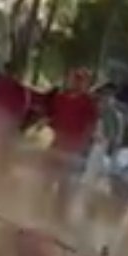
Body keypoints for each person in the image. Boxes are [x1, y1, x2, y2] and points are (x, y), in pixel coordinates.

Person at [45, 68, 99, 219]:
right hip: (57, 144)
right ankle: (42, 211)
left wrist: (82, 146)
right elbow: (53, 119)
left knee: (65, 188)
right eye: (75, 78)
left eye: (81, 80)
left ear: (86, 83)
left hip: (73, 149)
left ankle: (59, 217)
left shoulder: (89, 104)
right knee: (46, 180)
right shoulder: (60, 98)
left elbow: (90, 127)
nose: (77, 82)